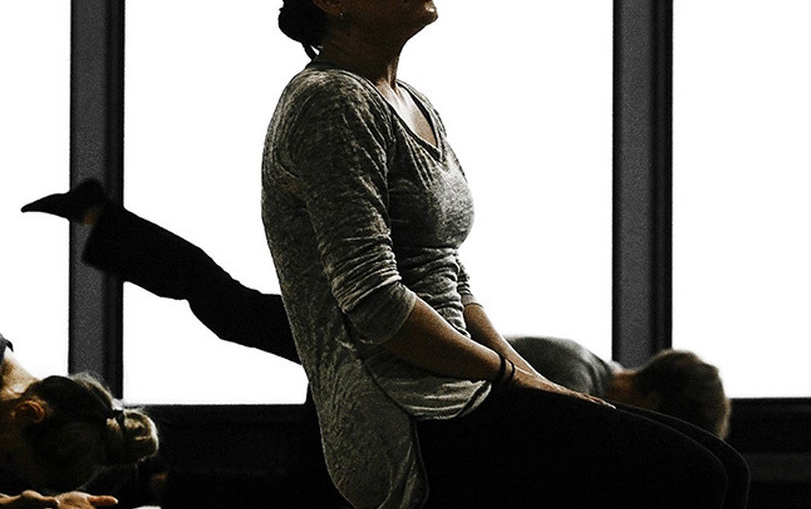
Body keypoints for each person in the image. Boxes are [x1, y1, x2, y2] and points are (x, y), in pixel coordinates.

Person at [257, 0, 749, 509]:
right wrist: (511, 378)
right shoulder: (331, 102)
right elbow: (374, 304)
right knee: (702, 487)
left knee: (723, 469)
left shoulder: (413, 103)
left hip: (467, 392)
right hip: (406, 421)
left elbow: (451, 279)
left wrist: (535, 383)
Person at [23, 181, 731, 439]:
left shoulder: (579, 360)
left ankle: (104, 220)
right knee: (225, 307)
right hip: (375, 351)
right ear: (661, 403)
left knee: (227, 307)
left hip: (375, 345)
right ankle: (103, 219)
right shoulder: (576, 385)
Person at [0, 332, 158, 509]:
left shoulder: (12, 420)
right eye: (8, 457)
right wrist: (10, 508)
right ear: (29, 412)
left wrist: (50, 502)